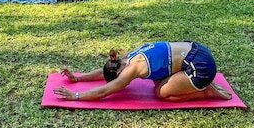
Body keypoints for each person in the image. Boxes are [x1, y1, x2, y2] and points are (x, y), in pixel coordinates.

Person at [54, 42, 232, 102]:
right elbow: (104, 72)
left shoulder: (132, 68)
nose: (125, 82)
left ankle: (206, 91)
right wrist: (78, 78)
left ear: (120, 74)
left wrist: (75, 96)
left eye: (122, 79)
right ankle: (197, 84)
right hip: (197, 51)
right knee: (158, 80)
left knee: (161, 92)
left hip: (200, 67)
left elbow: (105, 90)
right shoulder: (128, 58)